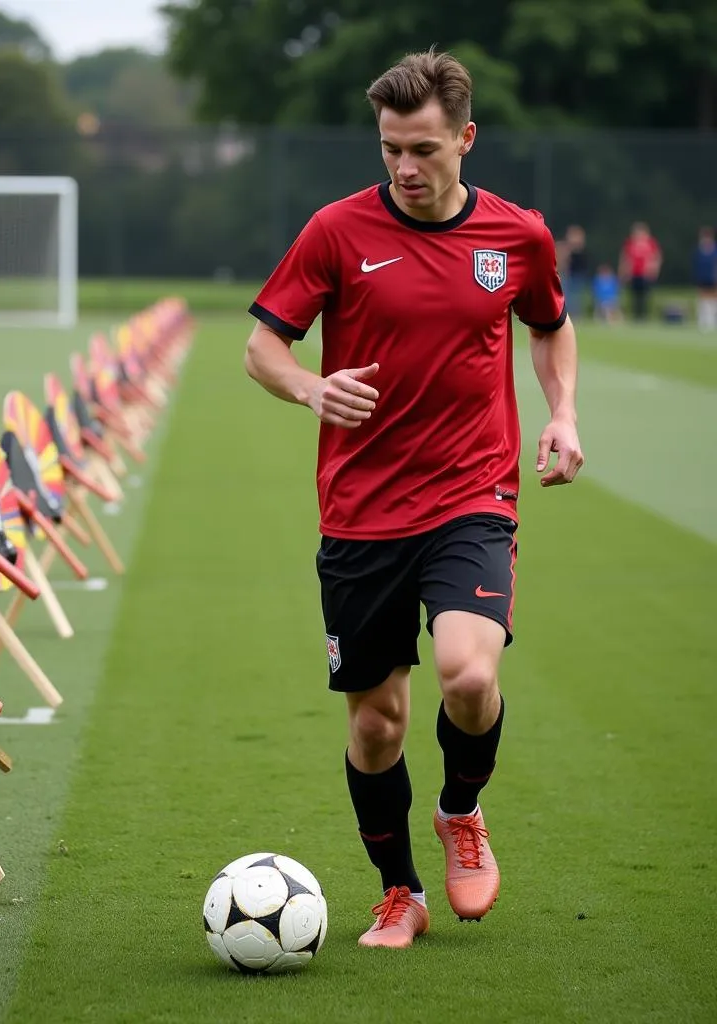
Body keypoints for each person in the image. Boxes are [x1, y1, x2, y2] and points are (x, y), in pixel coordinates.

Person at [244, 48, 584, 950]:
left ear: (465, 140)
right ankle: (400, 892)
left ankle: (460, 811)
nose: (404, 166)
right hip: (359, 514)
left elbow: (550, 326)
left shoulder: (519, 238)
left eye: (425, 148)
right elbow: (263, 348)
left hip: (473, 493)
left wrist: (565, 414)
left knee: (471, 675)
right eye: (392, 147)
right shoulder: (336, 232)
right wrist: (311, 390)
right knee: (377, 721)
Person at [619, 221, 662, 322]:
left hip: (645, 273)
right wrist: (623, 271)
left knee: (645, 295)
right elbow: (625, 258)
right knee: (634, 295)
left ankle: (644, 315)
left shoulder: (650, 243)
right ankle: (636, 315)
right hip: (634, 273)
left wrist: (654, 270)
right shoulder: (630, 243)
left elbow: (656, 257)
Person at [560, 225, 588, 319]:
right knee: (568, 296)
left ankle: (577, 315)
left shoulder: (579, 249)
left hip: (578, 274)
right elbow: (564, 263)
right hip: (569, 274)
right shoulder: (567, 249)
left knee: (577, 297)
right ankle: (568, 314)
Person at [692, 226, 717, 331]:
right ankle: (703, 320)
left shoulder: (715, 250)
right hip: (702, 277)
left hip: (713, 277)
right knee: (702, 299)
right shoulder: (699, 250)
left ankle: (712, 320)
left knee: (713, 299)